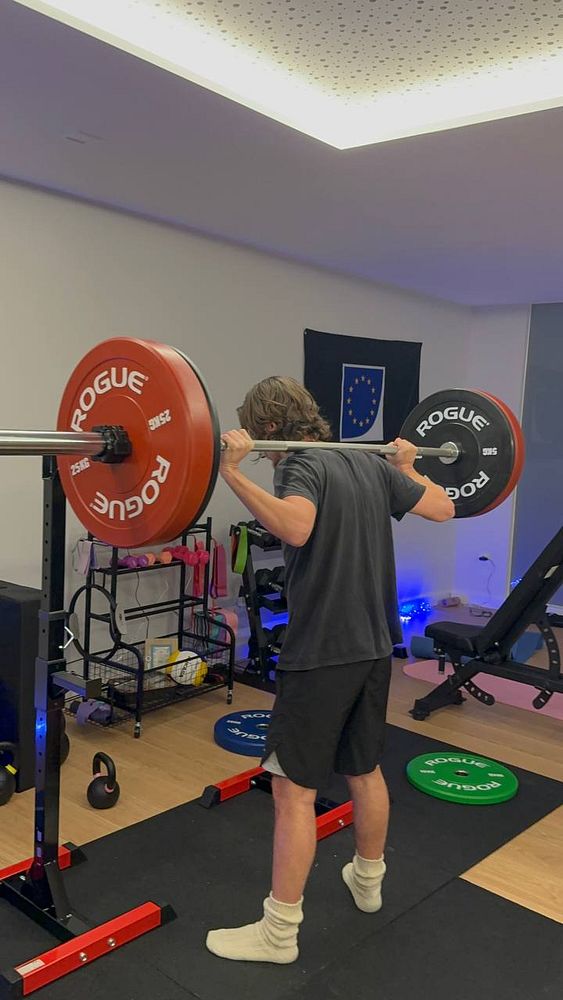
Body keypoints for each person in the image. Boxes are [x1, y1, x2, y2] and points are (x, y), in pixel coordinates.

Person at [206, 376, 455, 964]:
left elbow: (295, 526)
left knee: (293, 789)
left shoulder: (298, 467)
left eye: (257, 438)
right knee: (364, 768)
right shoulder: (364, 462)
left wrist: (232, 473)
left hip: (321, 651)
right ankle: (367, 884)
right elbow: (442, 506)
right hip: (373, 646)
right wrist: (411, 466)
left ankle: (278, 934)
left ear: (268, 427)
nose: (260, 452)